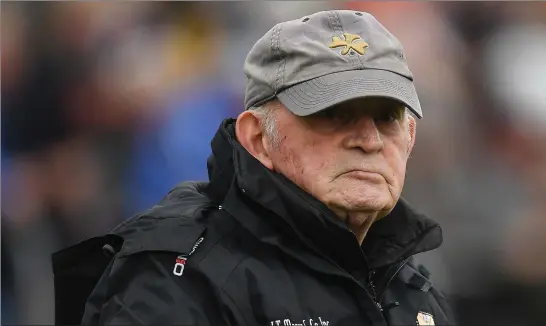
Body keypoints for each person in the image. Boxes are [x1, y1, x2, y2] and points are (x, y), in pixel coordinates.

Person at [52, 10, 455, 326]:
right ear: (258, 138)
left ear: (411, 136)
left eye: (387, 117)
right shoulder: (176, 278)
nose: (369, 140)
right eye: (334, 114)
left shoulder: (410, 285)